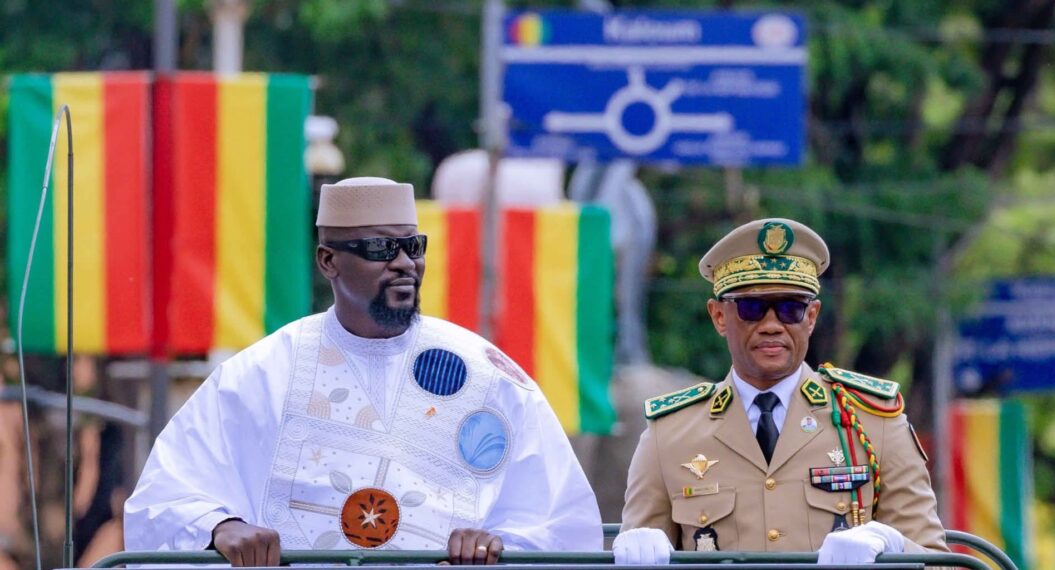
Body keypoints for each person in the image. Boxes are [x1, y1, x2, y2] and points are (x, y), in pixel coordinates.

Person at [125, 177, 602, 566]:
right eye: (380, 249)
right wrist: (223, 528)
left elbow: (561, 523)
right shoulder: (262, 374)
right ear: (328, 261)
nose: (404, 264)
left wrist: (495, 549)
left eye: (412, 246)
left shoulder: (487, 377)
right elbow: (166, 497)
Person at [612, 218, 947, 565]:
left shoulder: (872, 421)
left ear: (812, 316)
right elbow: (640, 552)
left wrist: (895, 548)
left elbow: (943, 563)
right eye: (751, 308)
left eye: (791, 308)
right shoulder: (670, 436)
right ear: (719, 316)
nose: (772, 325)